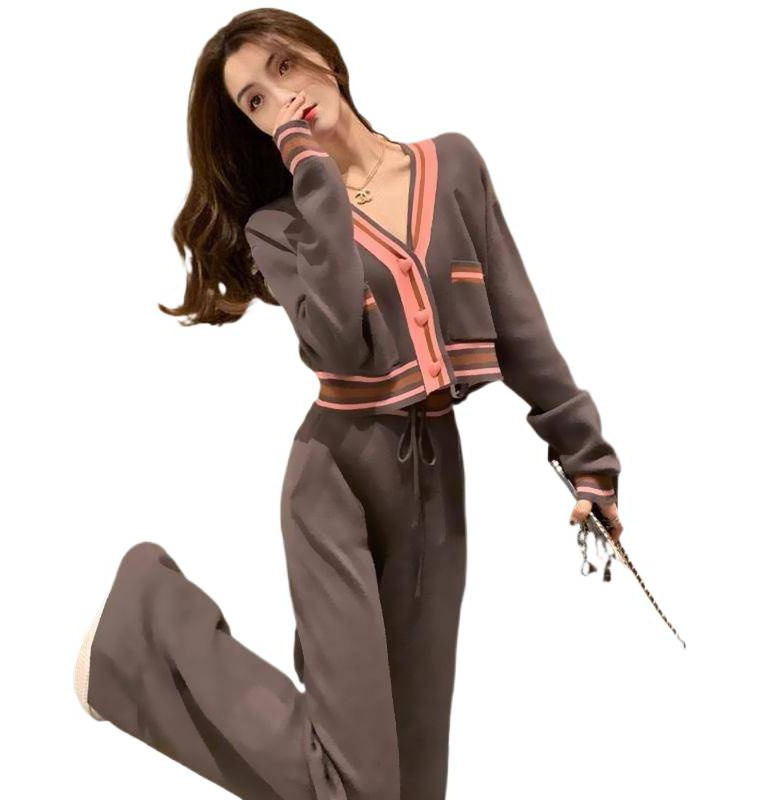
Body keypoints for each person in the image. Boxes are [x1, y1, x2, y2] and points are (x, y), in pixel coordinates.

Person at [73, 9, 622, 800]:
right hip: (334, 482)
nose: (281, 99)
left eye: (282, 66)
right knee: (359, 786)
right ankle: (150, 616)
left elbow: (520, 326)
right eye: (255, 102)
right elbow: (338, 345)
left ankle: (135, 646)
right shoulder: (279, 227)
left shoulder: (453, 165)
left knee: (413, 782)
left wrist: (587, 461)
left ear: (321, 54)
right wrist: (315, 179)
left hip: (437, 482)